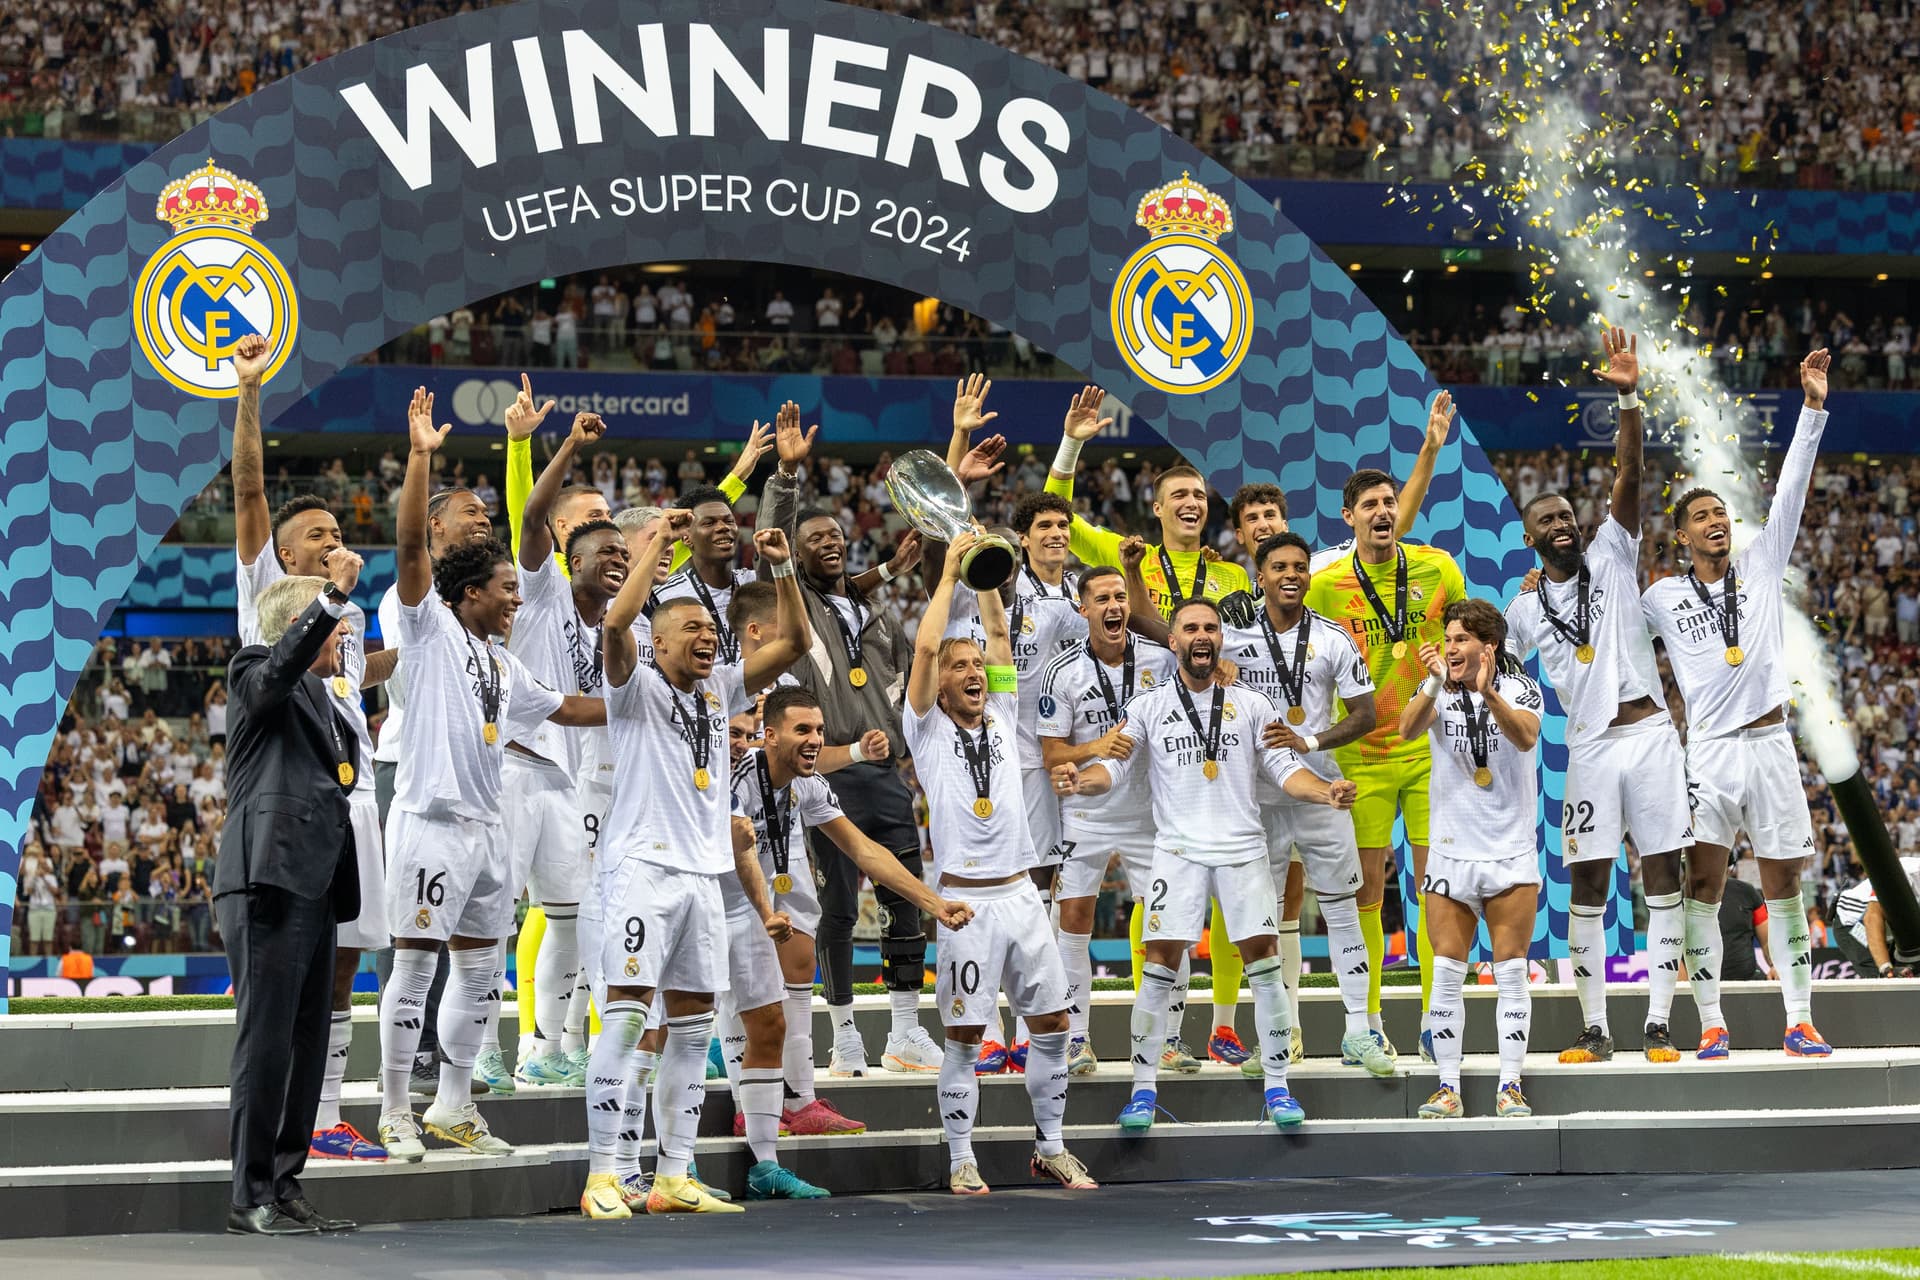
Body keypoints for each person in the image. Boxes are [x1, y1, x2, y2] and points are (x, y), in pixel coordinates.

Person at [376, 389, 607, 1165]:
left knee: (480, 975)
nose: (518, 599)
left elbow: (573, 710)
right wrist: (420, 457)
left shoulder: (502, 665)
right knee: (414, 968)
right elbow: (412, 549)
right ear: (469, 592)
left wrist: (661, 705)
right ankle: (392, 1108)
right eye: (507, 590)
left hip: (484, 830)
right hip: (430, 821)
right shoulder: (429, 625)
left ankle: (453, 1104)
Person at [1056, 595, 1357, 1134]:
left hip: (1242, 848)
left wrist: (1325, 791)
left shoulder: (1253, 704)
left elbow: (1287, 769)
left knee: (1264, 969)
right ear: (1172, 641)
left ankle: (1278, 1088)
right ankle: (1143, 1090)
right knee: (1157, 968)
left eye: (1211, 628)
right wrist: (1084, 781)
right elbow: (1114, 769)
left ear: (1220, 640)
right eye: (1190, 628)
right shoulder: (1147, 706)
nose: (1202, 636)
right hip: (1179, 851)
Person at [576, 512, 790, 1219]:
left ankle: (673, 1175)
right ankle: (604, 1174)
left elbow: (794, 644)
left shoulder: (717, 690)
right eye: (693, 630)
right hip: (642, 869)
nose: (708, 639)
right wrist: (660, 550)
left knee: (696, 1030)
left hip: (703, 876)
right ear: (658, 641)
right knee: (631, 1021)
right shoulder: (631, 687)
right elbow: (615, 627)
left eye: (712, 631)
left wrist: (781, 569)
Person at [1640, 349, 1834, 1059]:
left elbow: (1791, 493)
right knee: (1706, 881)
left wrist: (1812, 410)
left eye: (1722, 512)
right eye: (1703, 515)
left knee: (1783, 880)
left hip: (1771, 742)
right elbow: (1608, 630)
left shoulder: (1760, 563)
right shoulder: (1660, 598)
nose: (1717, 521)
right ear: (1682, 536)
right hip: (1712, 751)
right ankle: (1711, 1022)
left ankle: (1799, 1018)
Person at [226, 331, 391, 1164]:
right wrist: (250, 390)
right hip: (288, 798)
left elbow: (353, 686)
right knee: (287, 985)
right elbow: (250, 486)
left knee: (343, 970)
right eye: (319, 534)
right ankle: (280, 1140)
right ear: (287, 553)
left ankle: (323, 1115)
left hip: (348, 793)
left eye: (338, 532)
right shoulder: (270, 592)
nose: (334, 540)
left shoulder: (351, 618)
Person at [1511, 331, 1690, 1064]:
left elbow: (1631, 468)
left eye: (1565, 516)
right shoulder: (1523, 608)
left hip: (1649, 737)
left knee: (1661, 875)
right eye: (1545, 521)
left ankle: (1656, 1024)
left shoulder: (1613, 550)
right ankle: (1594, 1028)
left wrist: (1626, 397)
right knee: (1586, 880)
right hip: (1585, 748)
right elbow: (1490, 663)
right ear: (1530, 541)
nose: (1560, 524)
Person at [906, 530, 1096, 1196]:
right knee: (963, 1039)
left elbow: (998, 632)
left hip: (1021, 896)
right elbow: (928, 645)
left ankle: (1050, 1147)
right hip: (964, 902)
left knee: (1053, 1027)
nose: (973, 673)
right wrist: (948, 575)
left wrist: (985, 571)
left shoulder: (1004, 710)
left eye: (977, 666)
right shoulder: (925, 729)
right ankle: (961, 1156)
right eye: (961, 667)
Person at [727, 687, 975, 1193]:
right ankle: (675, 1158)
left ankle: (775, 1143)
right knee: (687, 1028)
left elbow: (866, 851)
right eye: (804, 730)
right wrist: (763, 909)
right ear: (768, 736)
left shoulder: (809, 786)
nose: (817, 739)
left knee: (775, 1014)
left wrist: (932, 904)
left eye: (819, 729)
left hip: (762, 904)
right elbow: (736, 848)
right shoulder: (734, 780)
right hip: (715, 903)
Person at [759, 402, 930, 1077]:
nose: (830, 542)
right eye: (815, 537)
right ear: (794, 554)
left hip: (887, 780)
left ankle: (907, 1032)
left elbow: (853, 600)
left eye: (837, 536)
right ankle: (846, 1035)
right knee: (834, 909)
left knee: (904, 895)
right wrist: (786, 477)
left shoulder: (867, 607)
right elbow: (773, 539)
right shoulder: (790, 601)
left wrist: (886, 572)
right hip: (826, 775)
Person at [1304, 394, 1469, 1065]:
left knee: (1436, 887)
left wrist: (1451, 665)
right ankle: (1368, 1020)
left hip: (1431, 752)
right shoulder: (1324, 583)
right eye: (1367, 505)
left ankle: (1438, 1021)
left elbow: (1470, 642)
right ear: (1349, 519)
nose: (1379, 512)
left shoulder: (1437, 568)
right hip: (1362, 759)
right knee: (1367, 893)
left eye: (1387, 502)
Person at [215, 562, 365, 1236]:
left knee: (306, 1045)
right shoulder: (253, 668)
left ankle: (285, 1182)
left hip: (319, 882)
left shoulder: (328, 702)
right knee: (267, 1039)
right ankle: (249, 1195)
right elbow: (278, 673)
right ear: (297, 627)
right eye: (328, 625)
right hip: (267, 875)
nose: (339, 636)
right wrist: (330, 598)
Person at [1225, 532, 1389, 1076]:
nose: (1291, 574)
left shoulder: (1334, 637)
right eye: (1279, 567)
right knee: (1264, 920)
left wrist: (1311, 742)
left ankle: (1358, 1035)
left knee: (1342, 909)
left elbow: (1366, 715)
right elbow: (1169, 640)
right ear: (1261, 574)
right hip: (1254, 798)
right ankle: (1276, 1038)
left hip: (1323, 791)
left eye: (1299, 566)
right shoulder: (1230, 635)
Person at [501, 409, 624, 1090]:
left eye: (622, 560)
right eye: (605, 556)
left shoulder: (610, 624)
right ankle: (508, 1047)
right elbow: (532, 516)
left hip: (574, 784)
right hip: (519, 770)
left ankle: (553, 1045)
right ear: (569, 558)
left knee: (573, 919)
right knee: (496, 920)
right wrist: (567, 444)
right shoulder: (542, 591)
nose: (616, 568)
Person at [1398, 599, 1546, 1120]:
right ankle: (1447, 1086)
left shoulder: (1519, 687)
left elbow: (1527, 736)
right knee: (1445, 973)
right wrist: (1435, 683)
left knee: (1510, 973)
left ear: (1489, 646)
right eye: (1449, 638)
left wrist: (1488, 695)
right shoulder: (1436, 687)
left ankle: (1510, 1086)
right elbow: (1406, 730)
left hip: (1509, 850)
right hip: (1451, 851)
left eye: (1461, 639)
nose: (1452, 647)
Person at [1037, 566, 1179, 1075]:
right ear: (1084, 609)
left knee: (1167, 923)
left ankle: (1168, 1039)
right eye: (1102, 598)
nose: (1114, 605)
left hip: (1149, 812)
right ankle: (1076, 1039)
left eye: (1120, 597)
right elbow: (1052, 753)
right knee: (1074, 921)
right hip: (1085, 813)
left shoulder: (1162, 661)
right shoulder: (1062, 670)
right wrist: (1099, 746)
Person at [1832, 858, 1920, 978]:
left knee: (1905, 978)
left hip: (1891, 931)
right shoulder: (1903, 872)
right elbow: (1872, 917)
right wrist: (1885, 969)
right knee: (1886, 982)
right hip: (1855, 921)